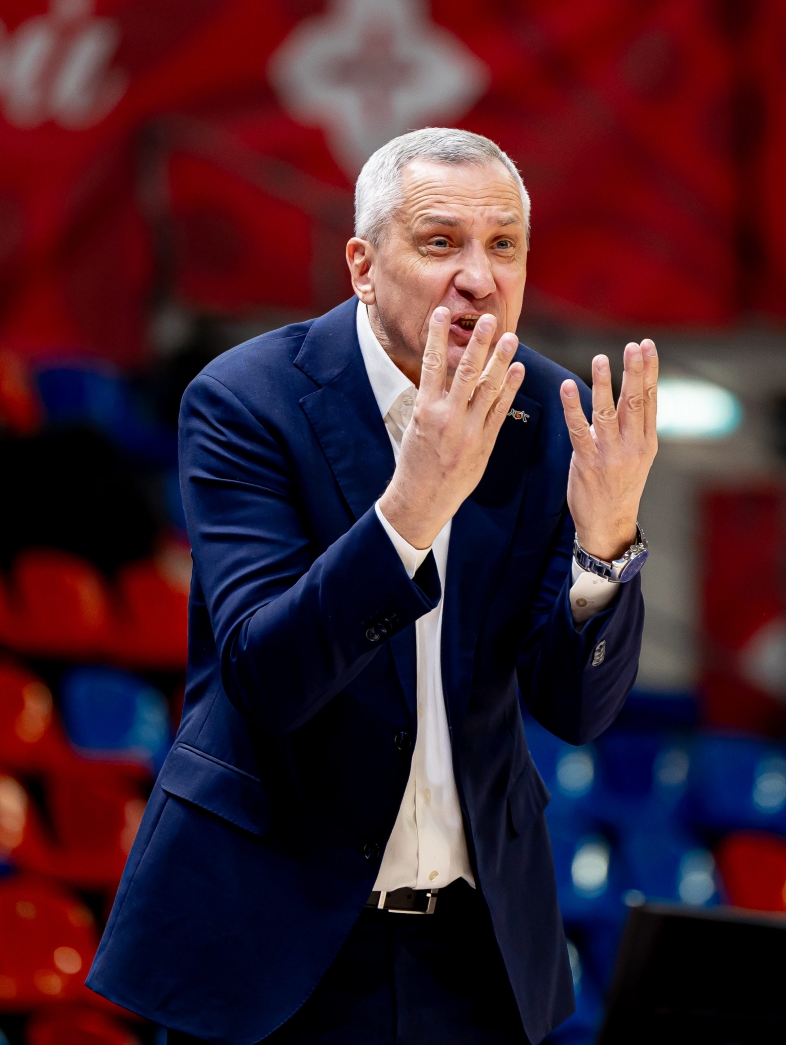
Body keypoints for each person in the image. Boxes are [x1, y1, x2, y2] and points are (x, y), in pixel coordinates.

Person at [87, 128, 657, 1045]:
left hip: (473, 954)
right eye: (440, 243)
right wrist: (413, 506)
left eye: (503, 245)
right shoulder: (246, 400)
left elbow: (575, 708)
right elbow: (267, 678)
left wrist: (606, 545)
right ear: (361, 264)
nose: (478, 277)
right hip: (271, 940)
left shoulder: (548, 419)